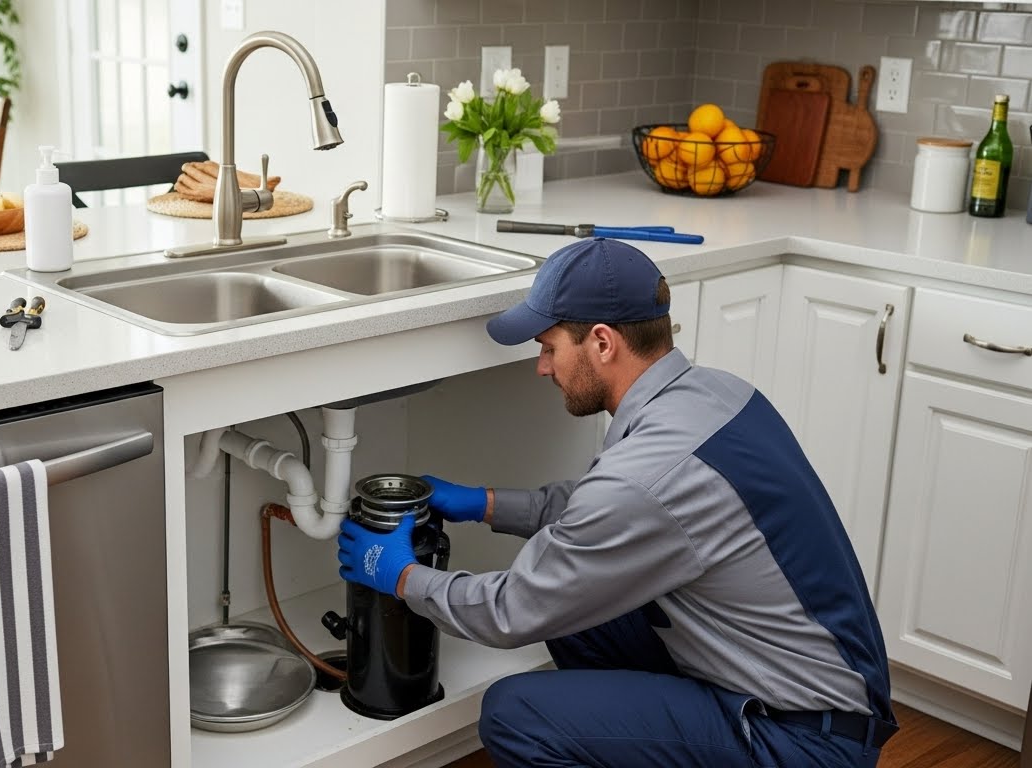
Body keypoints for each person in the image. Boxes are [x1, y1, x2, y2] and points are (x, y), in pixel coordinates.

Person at [336, 238, 898, 767]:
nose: (542, 367)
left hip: (800, 740)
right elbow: (605, 519)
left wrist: (402, 578)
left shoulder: (648, 476)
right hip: (813, 690)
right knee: (580, 612)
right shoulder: (715, 394)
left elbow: (513, 610)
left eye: (549, 347)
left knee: (517, 715)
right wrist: (485, 503)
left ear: (602, 342)